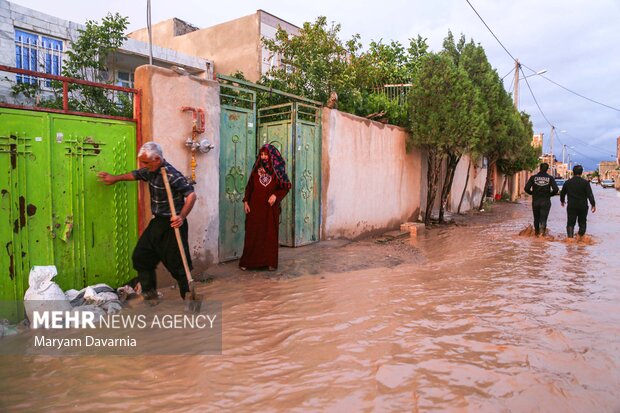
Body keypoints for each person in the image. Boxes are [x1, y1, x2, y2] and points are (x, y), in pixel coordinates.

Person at [97, 142, 196, 300]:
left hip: (173, 224)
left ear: (157, 159)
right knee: (141, 256)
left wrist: (181, 216)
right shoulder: (151, 171)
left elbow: (191, 195)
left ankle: (191, 302)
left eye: (146, 162)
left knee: (179, 266)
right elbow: (135, 174)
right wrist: (115, 178)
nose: (143, 165)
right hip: (157, 222)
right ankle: (150, 294)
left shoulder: (172, 175)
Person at [239, 144, 291, 271]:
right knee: (252, 234)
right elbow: (249, 187)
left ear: (271, 156)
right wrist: (246, 201)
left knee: (269, 235)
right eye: (261, 154)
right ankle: (248, 262)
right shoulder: (256, 169)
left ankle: (269, 262)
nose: (263, 157)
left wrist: (276, 195)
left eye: (266, 154)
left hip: (269, 209)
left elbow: (285, 187)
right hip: (254, 208)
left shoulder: (277, 171)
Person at [560, 164, 596, 238]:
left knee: (570, 223)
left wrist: (562, 201)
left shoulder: (567, 182)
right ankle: (579, 237)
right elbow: (590, 195)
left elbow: (562, 193)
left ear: (573, 172)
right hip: (582, 206)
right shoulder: (585, 183)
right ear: (581, 172)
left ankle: (570, 240)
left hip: (571, 206)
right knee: (582, 223)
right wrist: (593, 204)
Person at [524, 163, 559, 236]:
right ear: (547, 169)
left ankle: (536, 234)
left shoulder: (533, 177)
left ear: (540, 168)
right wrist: (550, 194)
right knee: (543, 219)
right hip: (546, 201)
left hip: (536, 201)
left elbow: (526, 188)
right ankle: (542, 236)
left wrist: (532, 193)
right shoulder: (550, 178)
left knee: (536, 219)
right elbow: (556, 189)